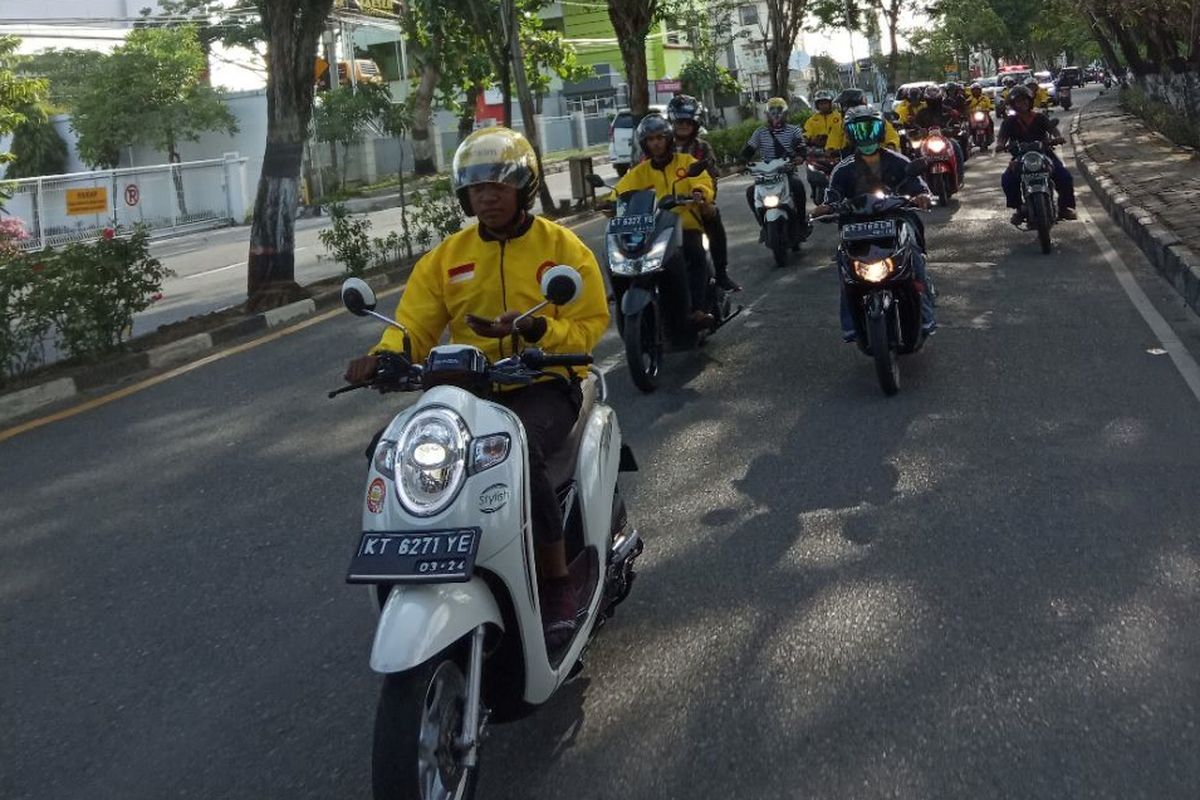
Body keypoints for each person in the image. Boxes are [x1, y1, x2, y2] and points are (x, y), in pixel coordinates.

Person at [343, 127, 610, 649]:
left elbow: (589, 325)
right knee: (390, 452)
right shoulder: (447, 258)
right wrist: (383, 359)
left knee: (519, 452)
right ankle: (411, 565)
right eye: (475, 189)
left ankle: (555, 582)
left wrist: (536, 330)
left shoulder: (562, 249)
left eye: (497, 187)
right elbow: (413, 327)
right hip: (467, 394)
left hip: (542, 384)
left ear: (523, 189)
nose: (485, 197)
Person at [811, 107, 936, 342]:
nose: (865, 135)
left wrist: (922, 197)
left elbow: (918, 186)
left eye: (871, 128)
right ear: (850, 134)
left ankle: (926, 313)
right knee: (844, 267)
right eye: (858, 130)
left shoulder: (899, 161)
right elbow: (833, 197)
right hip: (856, 227)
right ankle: (850, 325)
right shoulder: (842, 169)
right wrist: (826, 207)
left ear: (881, 131)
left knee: (915, 258)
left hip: (896, 220)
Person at [614, 113, 718, 332]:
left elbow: (703, 181)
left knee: (695, 253)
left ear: (668, 139)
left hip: (686, 226)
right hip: (654, 230)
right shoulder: (640, 171)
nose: (656, 143)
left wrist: (699, 191)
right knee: (629, 258)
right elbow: (620, 190)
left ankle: (696, 310)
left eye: (660, 138)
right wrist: (607, 202)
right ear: (644, 143)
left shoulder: (686, 162)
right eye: (651, 139)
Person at [668, 93, 739, 292]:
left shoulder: (702, 148)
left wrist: (705, 199)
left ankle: (721, 272)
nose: (683, 125)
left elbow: (712, 177)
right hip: (665, 206)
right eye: (679, 121)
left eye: (687, 122)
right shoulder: (662, 147)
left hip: (695, 203)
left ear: (695, 123)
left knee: (713, 216)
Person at [995, 85, 1077, 224]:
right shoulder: (1009, 122)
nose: (1023, 103)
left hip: (1044, 154)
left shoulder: (1039, 117)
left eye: (1025, 100)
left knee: (1065, 176)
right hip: (1021, 158)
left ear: (1030, 101)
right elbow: (1002, 137)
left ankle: (1063, 208)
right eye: (1019, 101)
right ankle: (1019, 209)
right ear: (1014, 104)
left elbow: (1052, 129)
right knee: (1007, 180)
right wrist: (1000, 145)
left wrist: (1057, 137)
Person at [740, 96, 810, 241]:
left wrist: (800, 157)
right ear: (767, 115)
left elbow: (802, 148)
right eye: (772, 113)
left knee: (798, 187)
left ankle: (802, 223)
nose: (776, 116)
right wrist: (742, 163)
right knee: (750, 192)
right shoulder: (760, 132)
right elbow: (749, 149)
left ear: (785, 114)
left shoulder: (793, 131)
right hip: (765, 175)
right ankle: (763, 226)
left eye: (779, 113)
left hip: (787, 171)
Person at [828, 88, 901, 154]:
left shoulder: (875, 119)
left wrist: (890, 146)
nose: (844, 109)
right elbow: (833, 141)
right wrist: (831, 150)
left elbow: (892, 137)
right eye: (843, 106)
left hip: (878, 157)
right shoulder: (840, 123)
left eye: (846, 105)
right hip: (851, 159)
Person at [914, 85, 966, 177]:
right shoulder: (921, 113)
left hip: (946, 139)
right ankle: (920, 180)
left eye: (935, 100)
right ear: (926, 100)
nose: (933, 103)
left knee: (956, 146)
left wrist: (954, 128)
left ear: (940, 99)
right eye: (931, 101)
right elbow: (915, 125)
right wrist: (918, 131)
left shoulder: (948, 110)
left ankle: (960, 175)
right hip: (927, 141)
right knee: (917, 151)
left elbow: (956, 121)